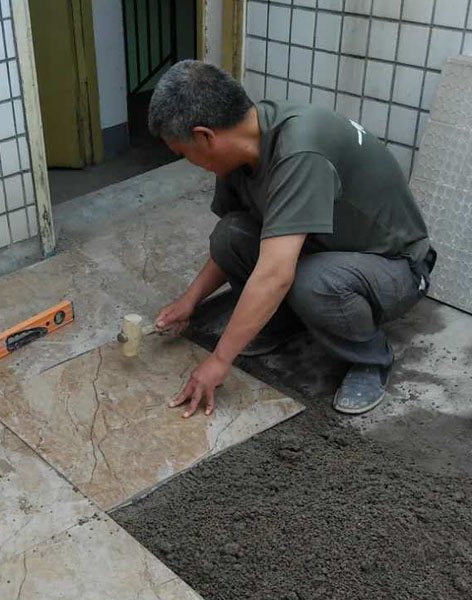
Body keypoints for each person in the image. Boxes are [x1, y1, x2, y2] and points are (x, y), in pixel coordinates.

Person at [151, 60, 435, 417]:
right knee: (230, 234)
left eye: (183, 153)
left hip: (396, 265)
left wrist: (220, 360)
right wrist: (189, 300)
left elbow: (275, 274)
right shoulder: (241, 149)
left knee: (309, 281)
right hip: (328, 246)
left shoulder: (299, 150)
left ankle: (370, 358)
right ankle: (283, 321)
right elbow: (233, 246)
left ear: (205, 136)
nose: (189, 162)